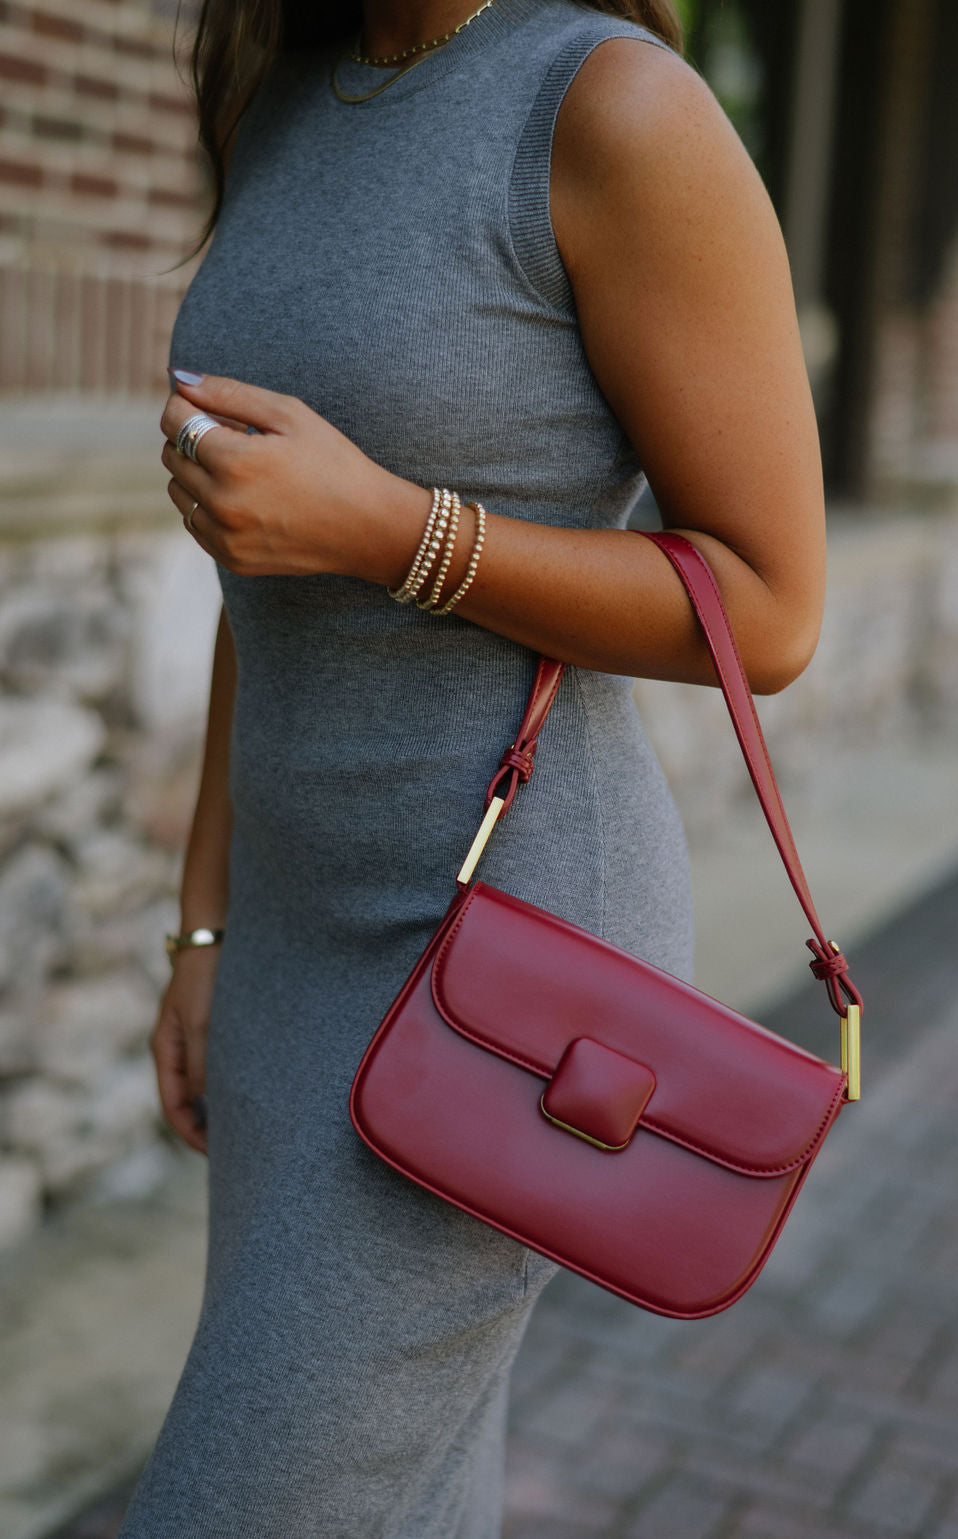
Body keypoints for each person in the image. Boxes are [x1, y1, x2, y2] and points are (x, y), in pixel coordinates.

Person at [119, 0, 827, 1534]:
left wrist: (395, 533)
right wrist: (204, 921)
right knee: (408, 1500)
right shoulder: (283, 95)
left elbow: (767, 608)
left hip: (508, 966)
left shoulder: (614, 113)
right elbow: (265, 559)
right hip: (294, 939)